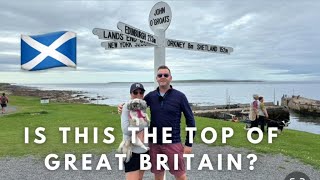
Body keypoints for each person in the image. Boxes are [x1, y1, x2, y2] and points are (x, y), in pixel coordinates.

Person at [119, 65, 196, 180]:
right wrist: (122, 106)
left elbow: (190, 120)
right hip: (155, 144)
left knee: (180, 176)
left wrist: (189, 144)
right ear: (157, 78)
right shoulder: (151, 96)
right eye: (160, 75)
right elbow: (136, 104)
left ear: (170, 78)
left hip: (173, 143)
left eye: (166, 75)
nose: (163, 77)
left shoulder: (180, 96)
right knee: (158, 175)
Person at [120, 83, 149, 180]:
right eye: (135, 92)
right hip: (132, 151)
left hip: (144, 151)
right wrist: (143, 124)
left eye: (141, 92)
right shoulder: (126, 107)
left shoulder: (143, 106)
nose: (138, 95)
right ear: (130, 94)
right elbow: (126, 130)